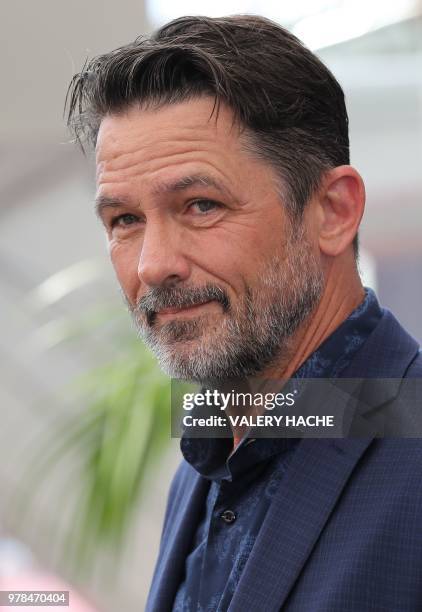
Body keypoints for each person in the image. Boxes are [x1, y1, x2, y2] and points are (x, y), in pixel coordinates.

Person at [66, 15, 422, 612]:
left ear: (333, 211)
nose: (153, 265)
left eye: (201, 205)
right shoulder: (204, 463)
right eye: (125, 220)